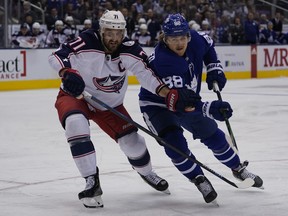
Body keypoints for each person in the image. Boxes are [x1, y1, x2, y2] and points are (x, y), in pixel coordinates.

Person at [48, 10, 195, 208]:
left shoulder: (130, 49)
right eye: (109, 33)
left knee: (133, 143)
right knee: (76, 124)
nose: (114, 38)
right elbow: (57, 56)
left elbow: (147, 74)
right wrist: (67, 72)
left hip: (109, 105)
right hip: (76, 96)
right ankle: (91, 181)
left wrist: (167, 93)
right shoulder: (86, 41)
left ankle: (147, 173)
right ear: (101, 30)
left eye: (118, 33)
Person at [138, 13, 264, 205]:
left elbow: (209, 45)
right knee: (175, 145)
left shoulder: (195, 39)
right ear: (165, 38)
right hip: (157, 105)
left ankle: (237, 168)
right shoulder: (164, 61)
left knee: (212, 133)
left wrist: (213, 67)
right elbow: (181, 103)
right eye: (173, 39)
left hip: (185, 98)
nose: (179, 44)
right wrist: (210, 108)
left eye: (182, 38)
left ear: (188, 35)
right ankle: (199, 179)